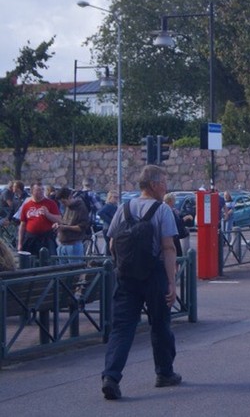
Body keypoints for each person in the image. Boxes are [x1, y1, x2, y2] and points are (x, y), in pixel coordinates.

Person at [101, 164, 182, 400]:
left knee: (122, 328)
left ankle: (111, 376)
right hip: (154, 275)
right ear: (155, 185)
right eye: (164, 182)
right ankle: (164, 373)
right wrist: (171, 283)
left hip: (127, 276)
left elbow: (112, 244)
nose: (166, 186)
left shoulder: (124, 208)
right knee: (160, 324)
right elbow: (168, 248)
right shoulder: (162, 210)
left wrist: (121, 267)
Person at [17, 180, 61, 257]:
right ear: (32, 191)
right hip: (31, 238)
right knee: (30, 261)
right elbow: (22, 225)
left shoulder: (50, 203)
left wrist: (47, 214)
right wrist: (20, 243)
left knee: (47, 260)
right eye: (38, 190)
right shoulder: (27, 205)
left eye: (42, 190)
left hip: (46, 238)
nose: (41, 192)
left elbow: (58, 219)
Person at [54, 187, 90, 262]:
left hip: (73, 244)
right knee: (63, 271)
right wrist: (58, 225)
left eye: (64, 202)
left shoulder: (80, 207)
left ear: (70, 197)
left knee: (75, 270)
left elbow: (81, 227)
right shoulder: (67, 207)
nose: (63, 204)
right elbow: (65, 221)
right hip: (63, 244)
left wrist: (65, 227)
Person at [163, 193, 190, 258]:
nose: (175, 201)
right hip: (172, 236)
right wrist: (185, 218)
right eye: (174, 200)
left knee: (177, 255)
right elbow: (176, 223)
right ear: (170, 201)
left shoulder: (171, 210)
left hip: (173, 236)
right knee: (176, 256)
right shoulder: (168, 210)